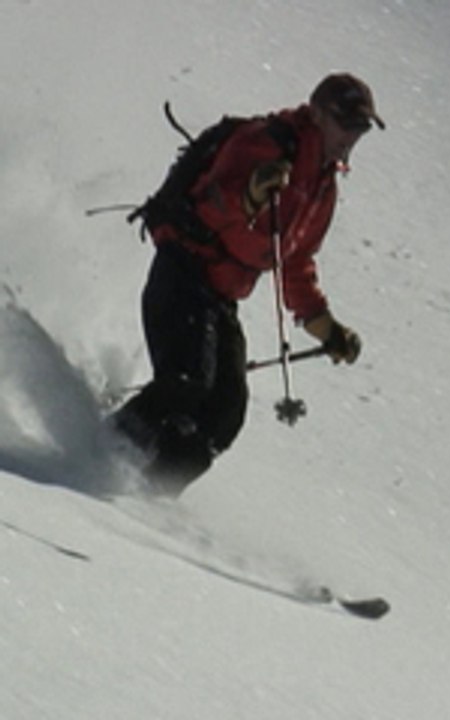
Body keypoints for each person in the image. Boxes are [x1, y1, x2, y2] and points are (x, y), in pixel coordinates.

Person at [112, 73, 385, 496]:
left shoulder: (322, 186)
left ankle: (147, 497)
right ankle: (101, 453)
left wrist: (326, 328)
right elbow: (209, 205)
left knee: (224, 415)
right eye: (346, 123)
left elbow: (294, 262)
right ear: (316, 114)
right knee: (186, 384)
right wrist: (251, 196)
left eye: (362, 128)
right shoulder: (267, 143)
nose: (353, 136)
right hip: (184, 272)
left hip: (220, 298)